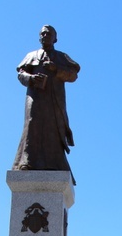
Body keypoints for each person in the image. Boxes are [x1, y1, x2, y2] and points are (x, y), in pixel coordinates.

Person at [13, 25, 80, 175]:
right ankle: (27, 162)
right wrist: (31, 79)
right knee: (32, 124)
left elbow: (73, 75)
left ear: (55, 38)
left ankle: (54, 163)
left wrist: (55, 68)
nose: (45, 36)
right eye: (43, 34)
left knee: (54, 128)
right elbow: (20, 73)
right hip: (35, 97)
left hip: (54, 99)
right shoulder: (32, 55)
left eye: (49, 34)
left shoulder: (61, 57)